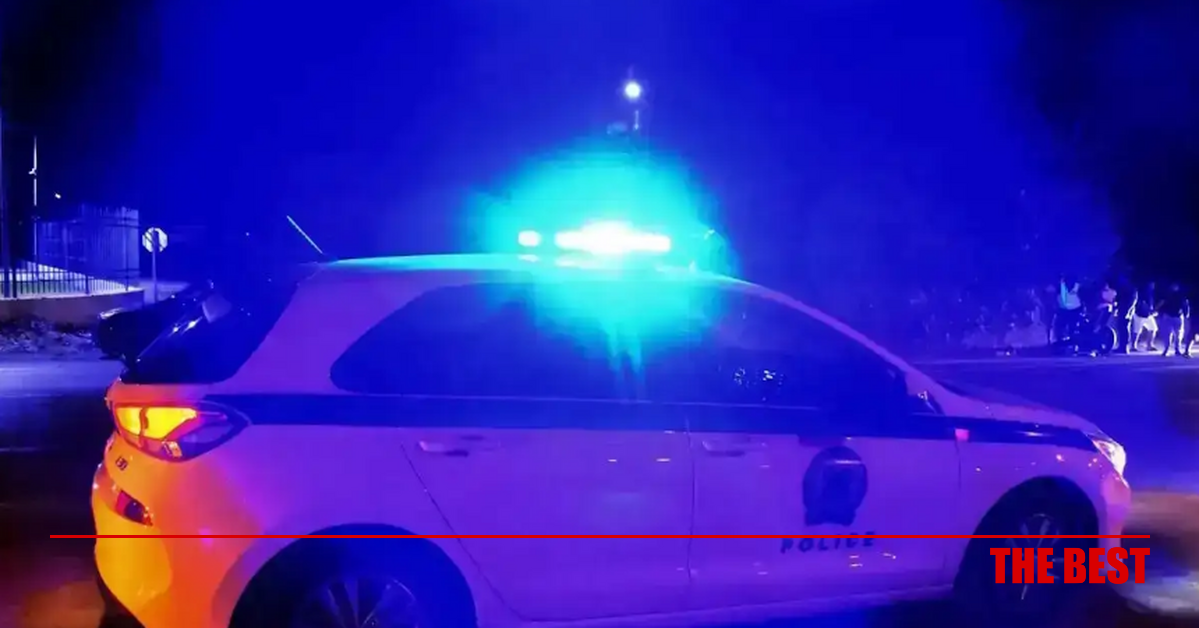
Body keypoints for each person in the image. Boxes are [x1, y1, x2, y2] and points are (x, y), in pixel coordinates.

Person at [1158, 282, 1190, 357]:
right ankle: (1176, 350)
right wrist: (1186, 314)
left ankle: (1167, 350)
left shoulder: (1167, 294)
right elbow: (1185, 304)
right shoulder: (1181, 295)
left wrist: (1157, 311)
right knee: (1177, 334)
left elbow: (1161, 303)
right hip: (1177, 316)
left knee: (1168, 334)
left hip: (1169, 315)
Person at [1128, 281, 1158, 352]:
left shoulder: (1149, 294)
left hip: (1147, 314)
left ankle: (1149, 345)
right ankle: (1133, 346)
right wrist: (1148, 310)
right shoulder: (1144, 293)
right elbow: (1142, 304)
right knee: (1137, 331)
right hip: (1140, 314)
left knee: (1153, 328)